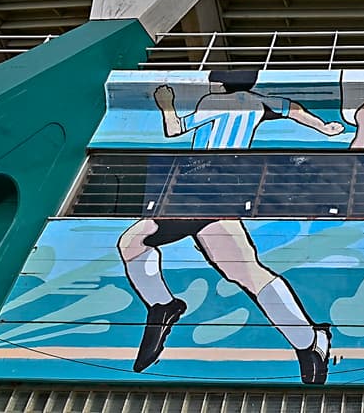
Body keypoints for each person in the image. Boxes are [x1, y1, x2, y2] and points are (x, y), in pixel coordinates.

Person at [117, 70, 343, 381]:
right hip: (225, 191)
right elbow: (293, 108)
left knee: (133, 242)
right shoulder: (260, 102)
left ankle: (162, 304)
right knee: (246, 270)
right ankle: (310, 342)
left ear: (220, 82)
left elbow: (174, 129)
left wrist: (166, 102)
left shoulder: (213, 101)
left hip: (197, 189)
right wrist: (324, 127)